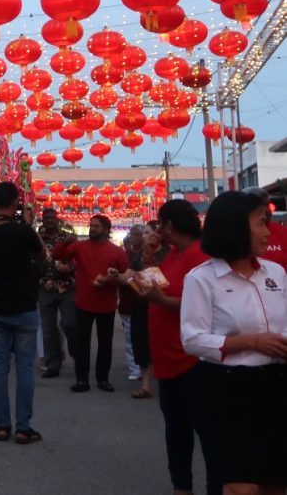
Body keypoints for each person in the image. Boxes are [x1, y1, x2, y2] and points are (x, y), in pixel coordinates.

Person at [181, 190, 287, 494]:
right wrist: (251, 342)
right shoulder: (202, 279)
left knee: (274, 484)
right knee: (240, 487)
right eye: (261, 223)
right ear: (235, 226)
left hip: (276, 385)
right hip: (226, 390)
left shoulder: (276, 274)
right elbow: (193, 339)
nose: (268, 231)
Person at [147, 199, 220, 495]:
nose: (158, 230)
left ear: (169, 226)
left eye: (160, 224)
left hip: (192, 358)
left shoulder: (201, 255)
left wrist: (163, 302)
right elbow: (156, 282)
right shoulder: (174, 253)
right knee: (176, 430)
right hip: (168, 358)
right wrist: (148, 256)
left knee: (205, 431)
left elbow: (210, 302)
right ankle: (182, 487)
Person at [0, 182, 44, 444]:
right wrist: (26, 225)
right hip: (23, 305)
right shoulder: (23, 232)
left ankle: (2, 426)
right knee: (24, 367)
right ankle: (24, 427)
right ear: (16, 203)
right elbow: (41, 256)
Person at [53, 214, 128, 393]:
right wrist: (65, 241)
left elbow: (126, 276)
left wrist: (108, 280)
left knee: (105, 343)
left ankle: (103, 379)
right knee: (82, 343)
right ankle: (82, 379)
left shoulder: (117, 252)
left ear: (106, 229)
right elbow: (57, 255)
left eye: (96, 226)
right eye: (91, 225)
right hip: (83, 303)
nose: (92, 228)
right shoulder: (80, 246)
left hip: (107, 304)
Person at [36, 207, 76, 380]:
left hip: (66, 286)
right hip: (45, 287)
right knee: (48, 328)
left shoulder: (67, 236)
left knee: (68, 324)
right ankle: (53, 364)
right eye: (46, 218)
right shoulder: (38, 237)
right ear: (43, 219)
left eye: (52, 217)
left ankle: (77, 354)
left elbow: (76, 259)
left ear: (57, 219)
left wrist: (69, 268)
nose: (49, 220)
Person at [119, 224, 146, 383]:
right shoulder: (125, 254)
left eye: (136, 234)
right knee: (130, 338)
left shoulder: (151, 254)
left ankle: (146, 366)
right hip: (129, 301)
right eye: (132, 234)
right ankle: (135, 368)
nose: (132, 236)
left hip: (148, 301)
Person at [244, 186, 287, 269]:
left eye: (266, 204)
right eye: (257, 206)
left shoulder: (282, 232)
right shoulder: (236, 234)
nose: (265, 210)